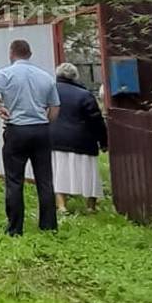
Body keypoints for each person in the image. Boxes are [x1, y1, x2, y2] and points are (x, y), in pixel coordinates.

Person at [0, 39, 60, 236]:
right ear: (30, 54)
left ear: (11, 54)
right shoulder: (45, 77)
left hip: (17, 130)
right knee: (45, 179)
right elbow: (55, 107)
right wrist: (45, 123)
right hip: (40, 130)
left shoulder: (6, 74)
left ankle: (15, 228)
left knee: (14, 180)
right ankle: (48, 226)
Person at [51, 63, 108, 213]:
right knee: (88, 172)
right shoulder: (85, 95)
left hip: (56, 139)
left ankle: (62, 206)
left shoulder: (50, 91)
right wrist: (103, 142)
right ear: (75, 76)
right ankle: (90, 206)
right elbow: (96, 120)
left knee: (59, 172)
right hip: (83, 140)